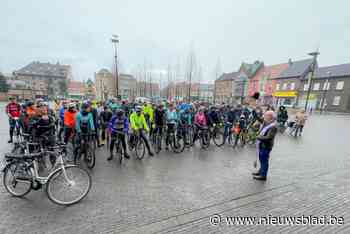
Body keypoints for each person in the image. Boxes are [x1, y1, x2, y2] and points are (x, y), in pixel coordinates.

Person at [253, 110, 277, 181]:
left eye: (265, 115)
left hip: (266, 146)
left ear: (270, 117)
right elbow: (259, 119)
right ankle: (260, 172)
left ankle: (263, 175)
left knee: (264, 161)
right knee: (261, 159)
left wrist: (258, 137)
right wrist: (254, 111)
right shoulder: (267, 122)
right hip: (262, 145)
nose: (264, 116)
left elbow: (268, 138)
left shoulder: (273, 126)